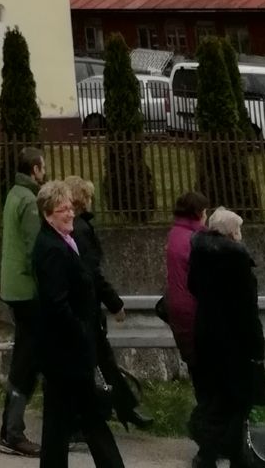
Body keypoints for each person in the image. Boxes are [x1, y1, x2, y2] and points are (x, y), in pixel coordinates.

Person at [32, 179, 125, 468]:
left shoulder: (63, 241)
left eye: (71, 208)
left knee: (63, 421)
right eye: (63, 209)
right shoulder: (51, 248)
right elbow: (56, 302)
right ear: (48, 214)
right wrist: (82, 334)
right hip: (67, 351)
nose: (71, 213)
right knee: (87, 417)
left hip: (65, 351)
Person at [66, 177, 150, 430]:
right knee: (98, 359)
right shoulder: (81, 230)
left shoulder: (76, 228)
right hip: (86, 306)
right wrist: (114, 303)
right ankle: (113, 410)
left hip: (83, 305)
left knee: (102, 359)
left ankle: (123, 407)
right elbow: (93, 273)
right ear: (83, 199)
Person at [187, 207, 265, 468]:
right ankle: (232, 455)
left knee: (213, 400)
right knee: (237, 401)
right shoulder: (237, 262)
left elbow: (192, 288)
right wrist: (257, 348)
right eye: (238, 230)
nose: (241, 235)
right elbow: (248, 311)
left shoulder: (200, 255)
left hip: (206, 335)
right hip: (235, 343)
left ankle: (208, 454)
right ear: (231, 234)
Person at [0, 145, 45, 457]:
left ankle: (10, 429)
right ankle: (12, 432)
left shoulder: (14, 193)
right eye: (43, 167)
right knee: (27, 360)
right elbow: (33, 248)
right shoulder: (29, 200)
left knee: (26, 356)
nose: (45, 172)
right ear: (35, 169)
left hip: (13, 286)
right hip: (27, 289)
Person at [163, 191, 208, 371]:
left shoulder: (175, 233)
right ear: (198, 213)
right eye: (205, 212)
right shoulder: (196, 239)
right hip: (193, 307)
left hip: (176, 304)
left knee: (193, 360)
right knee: (204, 362)